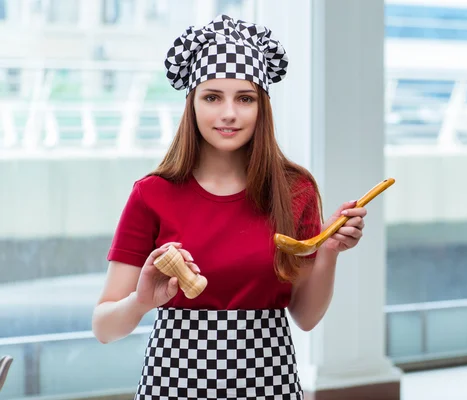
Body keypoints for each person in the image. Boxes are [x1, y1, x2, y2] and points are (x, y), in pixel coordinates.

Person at [92, 14, 367, 400]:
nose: (228, 114)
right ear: (191, 104)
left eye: (245, 98)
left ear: (262, 107)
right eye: (212, 97)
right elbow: (104, 328)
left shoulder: (295, 190)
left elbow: (305, 317)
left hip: (270, 383)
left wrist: (330, 251)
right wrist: (142, 300)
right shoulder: (151, 194)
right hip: (173, 387)